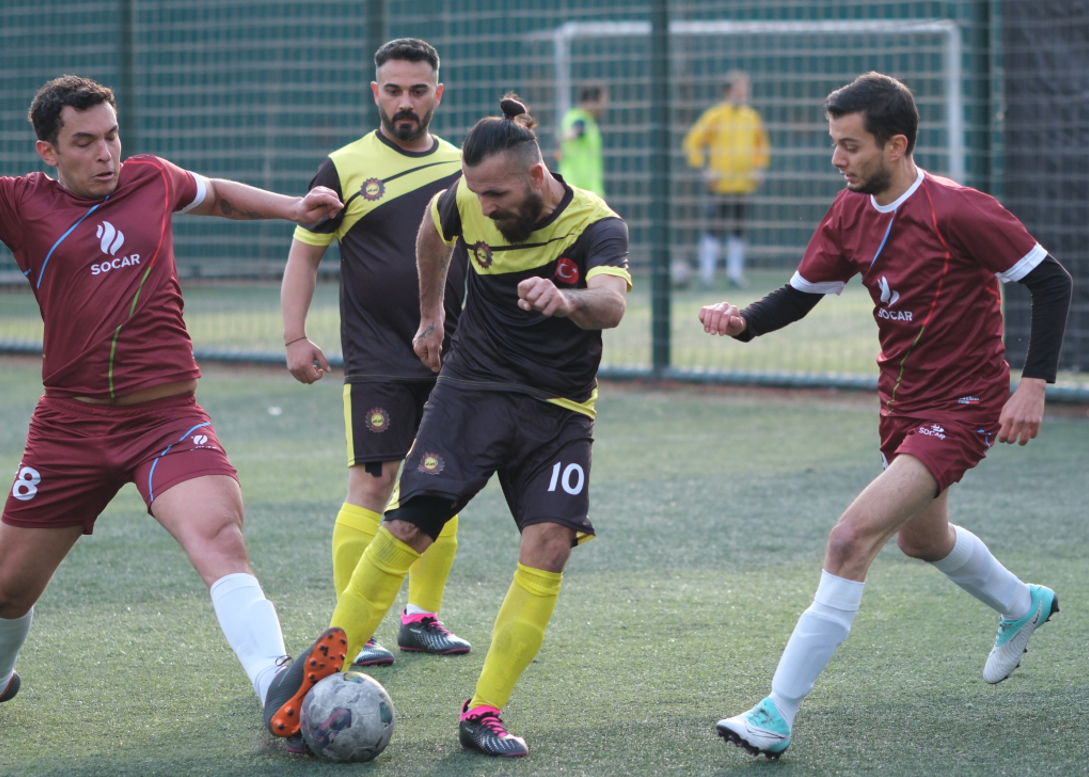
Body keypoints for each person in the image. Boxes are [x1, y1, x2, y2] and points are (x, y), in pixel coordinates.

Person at [700, 72, 1072, 760]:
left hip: (962, 407)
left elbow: (1050, 280)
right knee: (922, 543)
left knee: (848, 539)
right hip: (899, 407)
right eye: (833, 143)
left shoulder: (959, 211)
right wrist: (740, 321)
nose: (836, 159)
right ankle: (1022, 603)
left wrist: (1034, 384)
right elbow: (799, 294)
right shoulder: (848, 212)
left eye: (849, 145)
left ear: (895, 144)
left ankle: (774, 713)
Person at [0, 75, 350, 753]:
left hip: (166, 419)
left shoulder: (151, 180)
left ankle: (278, 684)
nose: (106, 154)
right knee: (8, 588)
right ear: (48, 150)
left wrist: (292, 208)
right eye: (84, 142)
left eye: (112, 135)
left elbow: (215, 195)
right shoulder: (19, 204)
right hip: (69, 428)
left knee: (219, 537)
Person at [325, 94, 630, 758]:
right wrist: (431, 313)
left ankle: (483, 710)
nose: (484, 207)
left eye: (496, 194)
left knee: (550, 543)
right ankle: (318, 671)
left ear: (537, 176)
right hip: (470, 392)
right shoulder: (465, 200)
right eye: (476, 193)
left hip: (558, 411)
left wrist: (565, 297)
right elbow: (432, 231)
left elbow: (609, 303)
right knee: (409, 523)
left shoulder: (596, 224)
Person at [281, 38, 471, 671]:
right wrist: (294, 336)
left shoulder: (465, 166)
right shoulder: (342, 166)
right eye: (393, 90)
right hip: (376, 358)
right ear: (375, 94)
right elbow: (304, 254)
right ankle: (351, 631)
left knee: (442, 482)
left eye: (418, 90)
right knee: (373, 483)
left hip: (455, 356)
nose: (405, 102)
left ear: (437, 94)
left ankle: (423, 618)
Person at [683, 70, 769, 288]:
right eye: (739, 90)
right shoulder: (715, 116)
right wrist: (703, 168)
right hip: (719, 185)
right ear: (727, 92)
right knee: (713, 228)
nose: (743, 94)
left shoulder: (752, 117)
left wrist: (759, 168)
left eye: (745, 90)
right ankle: (707, 274)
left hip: (743, 185)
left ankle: (735, 274)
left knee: (739, 229)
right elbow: (693, 141)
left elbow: (762, 147)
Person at [556, 83, 606, 198]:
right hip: (580, 188)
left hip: (582, 188)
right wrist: (568, 136)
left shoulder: (584, 120)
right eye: (601, 102)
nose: (603, 107)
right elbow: (575, 130)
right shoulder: (580, 119)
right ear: (591, 102)